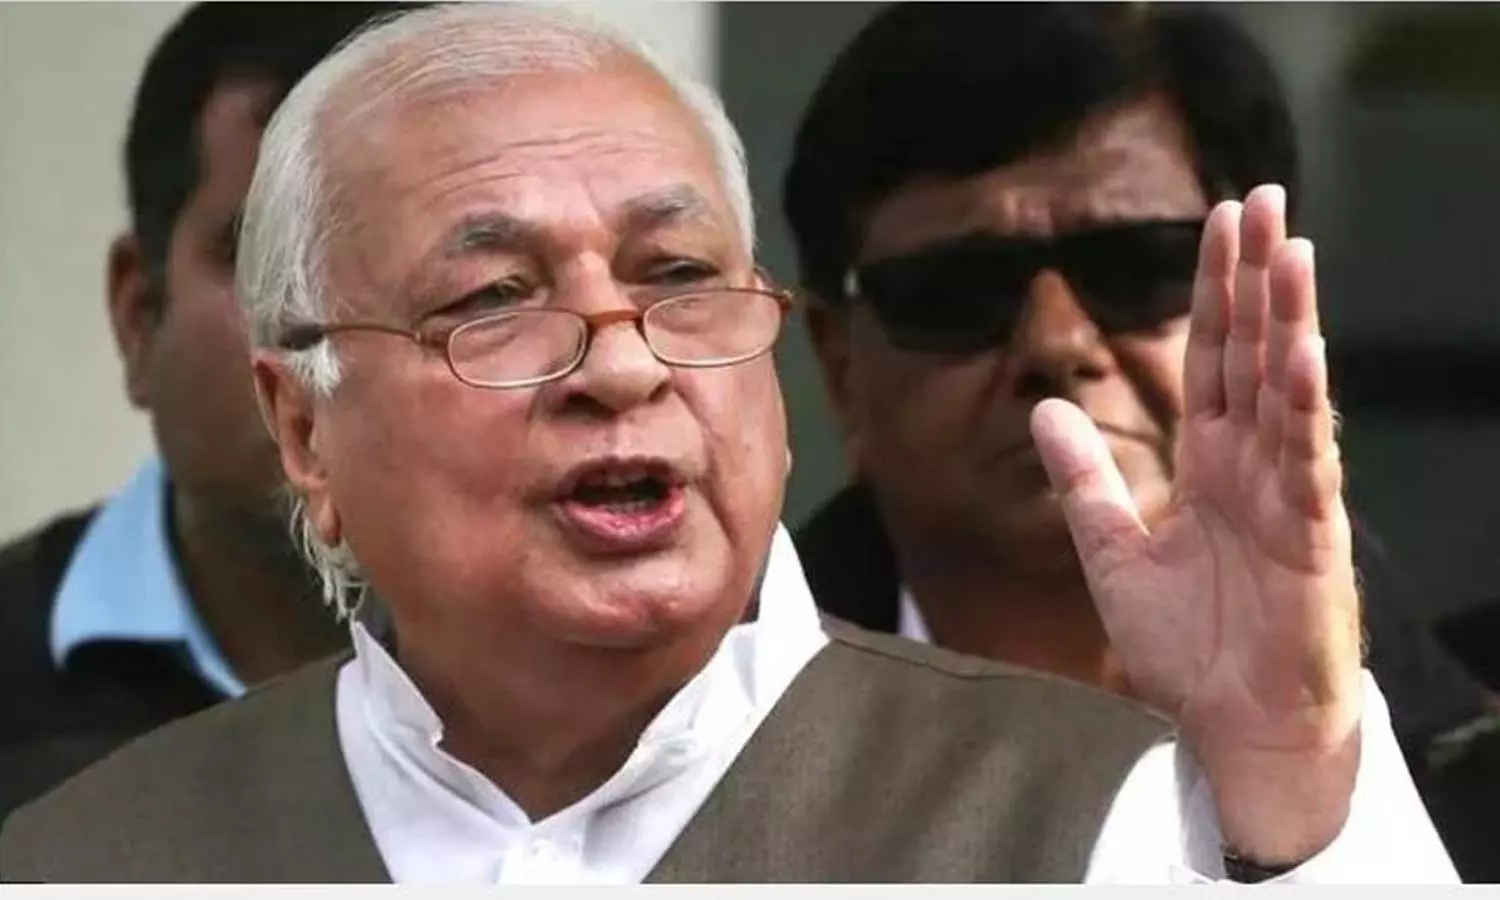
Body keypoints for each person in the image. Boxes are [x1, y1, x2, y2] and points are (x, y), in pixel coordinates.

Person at [0, 3, 1457, 883]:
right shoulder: (82, 856)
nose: (623, 361)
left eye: (680, 276)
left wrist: (1296, 779)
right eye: (495, 298)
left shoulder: (1124, 813)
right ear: (304, 427)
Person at [782, 3, 1500, 878]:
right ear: (840, 368)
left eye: (1142, 267)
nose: (1057, 342)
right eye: (957, 291)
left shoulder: (1474, 767)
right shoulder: (682, 763)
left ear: (1276, 298)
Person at [0, 2, 415, 822]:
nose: (340, 330)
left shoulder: (614, 671)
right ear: (138, 314)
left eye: (412, 261)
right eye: (265, 252)